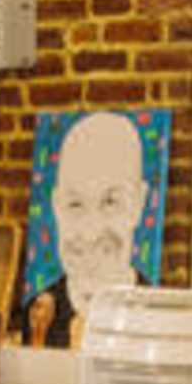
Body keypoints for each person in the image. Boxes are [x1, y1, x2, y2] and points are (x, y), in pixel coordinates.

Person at [21, 111, 156, 348]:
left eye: (110, 202)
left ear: (139, 204)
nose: (91, 232)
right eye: (75, 204)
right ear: (57, 207)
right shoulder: (35, 317)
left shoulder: (157, 319)